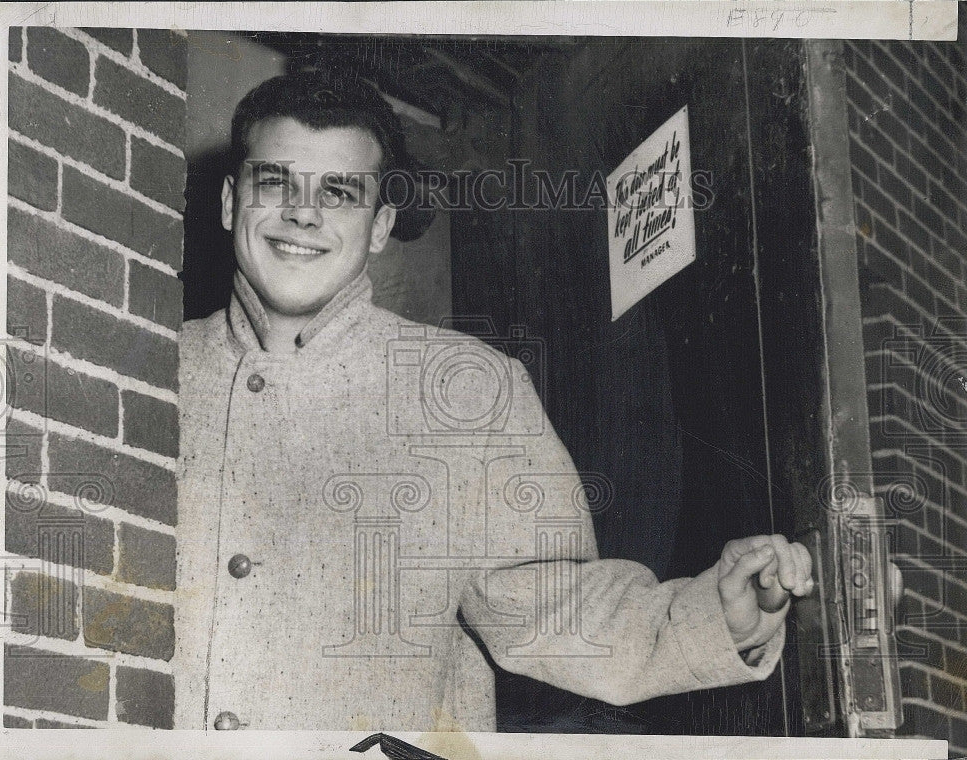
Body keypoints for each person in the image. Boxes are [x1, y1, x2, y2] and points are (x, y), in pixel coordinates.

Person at [174, 72, 814, 732]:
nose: (302, 213)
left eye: (339, 192)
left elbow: (556, 605)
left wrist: (717, 617)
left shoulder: (469, 387)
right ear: (230, 202)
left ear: (379, 227)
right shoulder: (153, 365)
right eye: (274, 182)